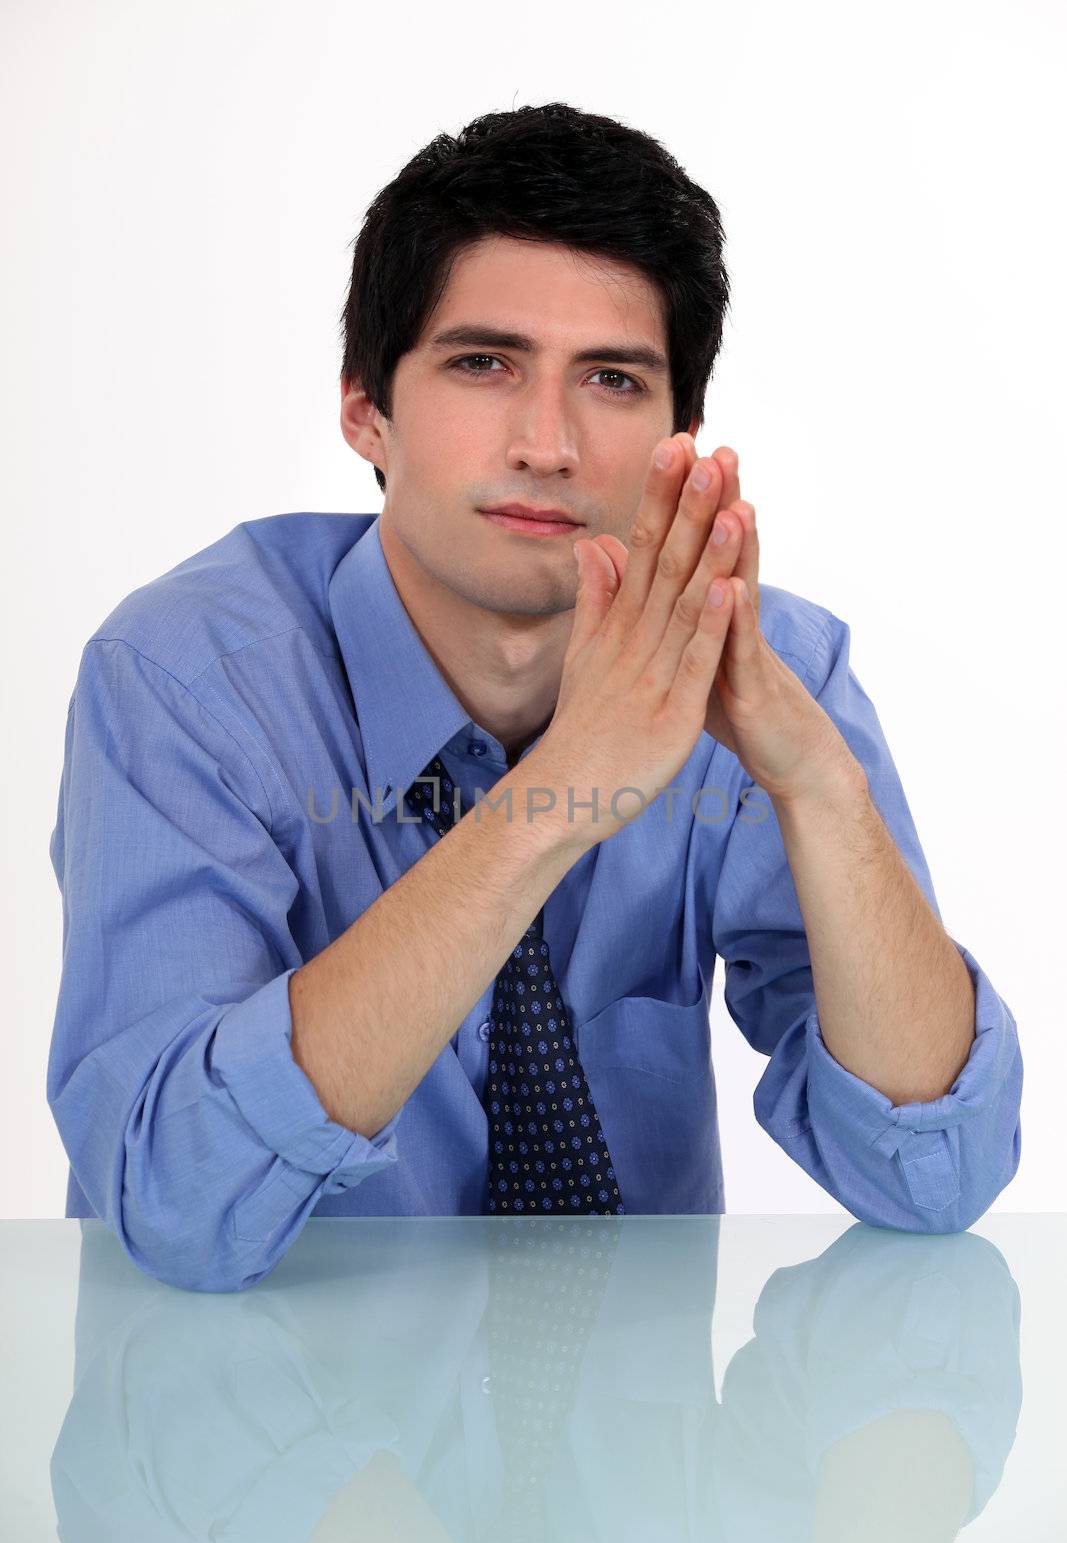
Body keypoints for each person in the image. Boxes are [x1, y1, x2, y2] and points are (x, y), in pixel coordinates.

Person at [46, 102, 1023, 1293]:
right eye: (483, 363)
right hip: (260, 1432)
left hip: (630, 1449)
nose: (548, 441)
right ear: (365, 405)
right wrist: (559, 794)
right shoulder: (189, 678)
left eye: (611, 380)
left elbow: (934, 1175)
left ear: (680, 440)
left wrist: (813, 781)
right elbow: (170, 1197)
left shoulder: (763, 675)